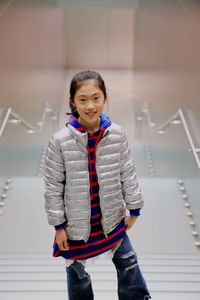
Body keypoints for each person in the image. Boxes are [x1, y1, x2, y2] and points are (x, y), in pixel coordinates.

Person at [43, 70, 151, 300]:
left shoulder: (117, 134)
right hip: (76, 227)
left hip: (111, 219)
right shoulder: (59, 141)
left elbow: (128, 173)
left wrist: (134, 209)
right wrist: (59, 226)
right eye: (82, 100)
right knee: (77, 274)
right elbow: (53, 186)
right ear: (73, 102)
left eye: (96, 98)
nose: (90, 106)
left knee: (129, 264)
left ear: (105, 97)